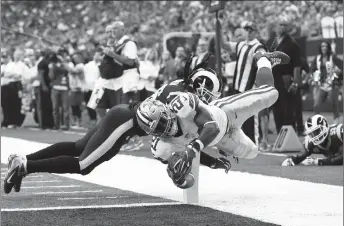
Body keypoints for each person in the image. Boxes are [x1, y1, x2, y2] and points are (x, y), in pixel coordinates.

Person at [3, 54, 231, 194]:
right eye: (210, 92)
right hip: (127, 121)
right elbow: (196, 135)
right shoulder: (185, 100)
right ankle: (25, 166)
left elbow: (180, 140)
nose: (210, 98)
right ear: (202, 87)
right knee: (83, 164)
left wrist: (209, 161)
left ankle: (23, 161)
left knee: (77, 148)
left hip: (123, 116)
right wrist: (207, 159)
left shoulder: (180, 87)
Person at [137, 51, 290, 188]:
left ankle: (263, 59)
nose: (164, 128)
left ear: (165, 109)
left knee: (271, 93)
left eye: (162, 121)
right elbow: (184, 170)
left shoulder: (182, 104)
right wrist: (187, 175)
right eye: (158, 129)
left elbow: (211, 127)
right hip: (221, 140)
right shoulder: (161, 148)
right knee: (252, 152)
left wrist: (191, 151)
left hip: (227, 113)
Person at [221, 21, 266, 148]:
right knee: (239, 118)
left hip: (250, 88)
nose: (249, 32)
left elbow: (262, 60)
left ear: (256, 32)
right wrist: (219, 29)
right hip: (238, 87)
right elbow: (224, 45)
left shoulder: (258, 47)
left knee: (251, 119)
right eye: (247, 30)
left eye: (251, 30)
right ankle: (242, 144)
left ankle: (254, 144)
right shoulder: (241, 45)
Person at [310, 41, 343, 123]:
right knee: (316, 105)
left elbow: (342, 66)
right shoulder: (317, 58)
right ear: (320, 48)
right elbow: (312, 69)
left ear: (328, 48)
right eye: (322, 46)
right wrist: (315, 77)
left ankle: (336, 123)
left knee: (334, 104)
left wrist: (338, 72)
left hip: (333, 84)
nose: (324, 48)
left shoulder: (333, 57)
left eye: (325, 46)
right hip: (322, 85)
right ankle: (316, 124)